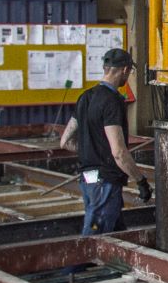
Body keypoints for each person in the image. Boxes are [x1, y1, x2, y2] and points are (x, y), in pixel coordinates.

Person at [59, 48, 150, 233]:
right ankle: (75, 263)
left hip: (88, 181)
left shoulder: (85, 97)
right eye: (130, 72)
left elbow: (65, 141)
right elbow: (119, 153)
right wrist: (141, 181)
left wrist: (90, 150)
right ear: (125, 70)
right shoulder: (112, 101)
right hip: (105, 183)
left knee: (116, 233)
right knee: (94, 238)